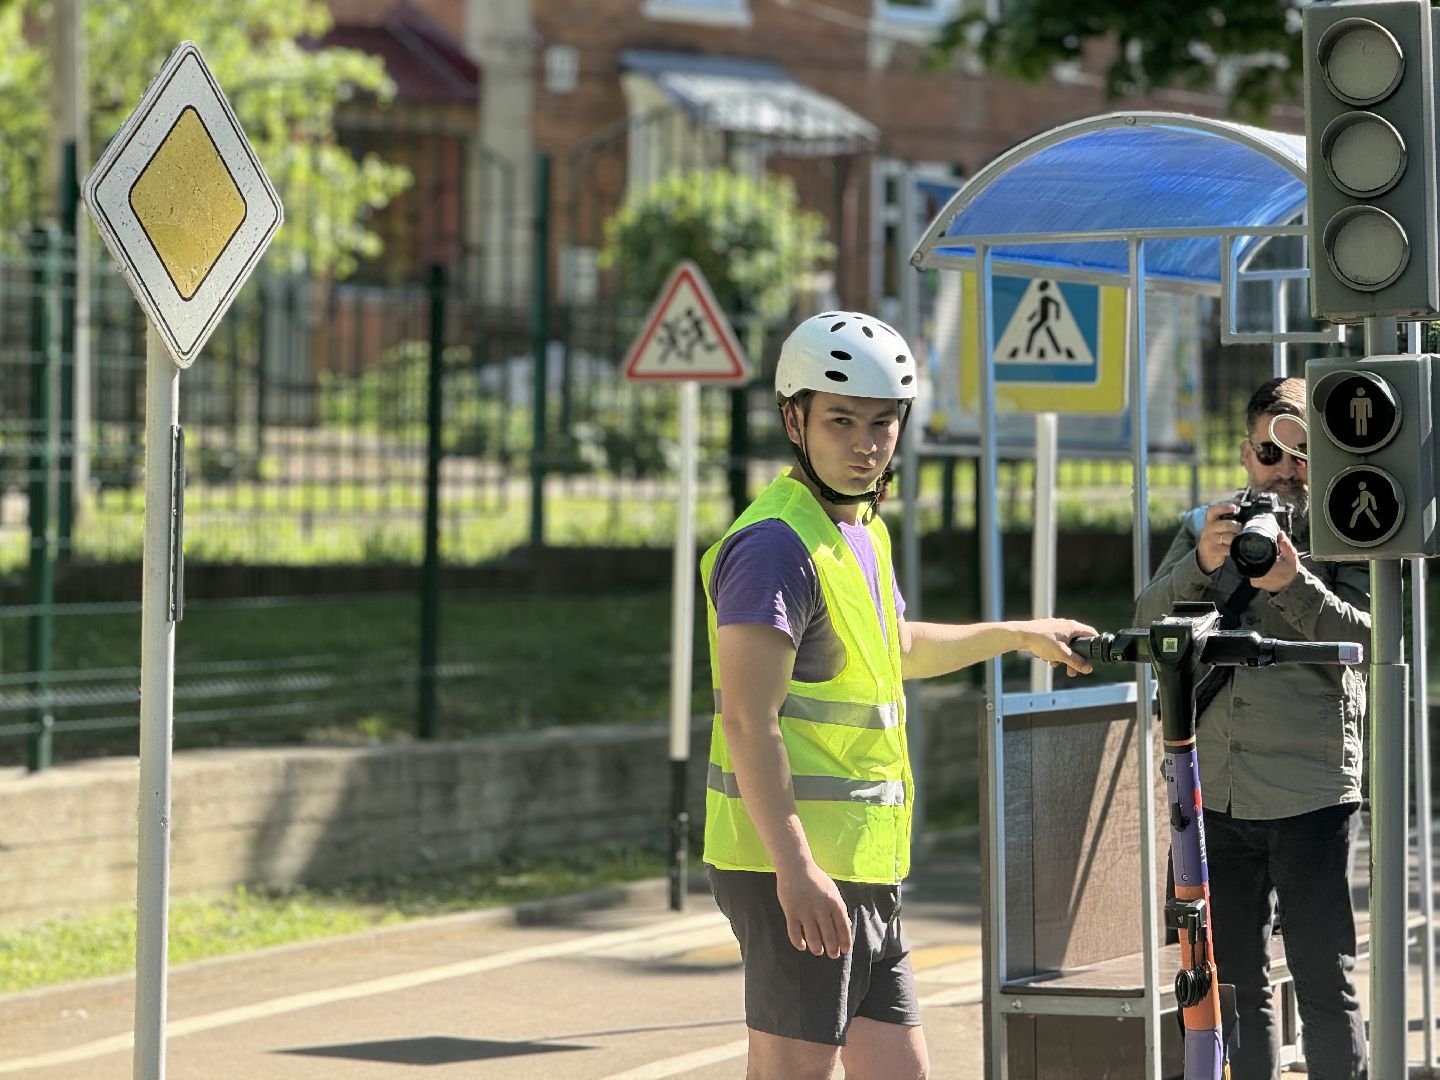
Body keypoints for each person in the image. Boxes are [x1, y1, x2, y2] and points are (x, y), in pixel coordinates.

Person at [700, 310, 1097, 1080]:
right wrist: (795, 867)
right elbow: (750, 721)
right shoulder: (774, 547)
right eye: (842, 420)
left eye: (884, 423)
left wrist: (1015, 634)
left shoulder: (858, 528)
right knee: (791, 1071)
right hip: (794, 862)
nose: (866, 444)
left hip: (862, 866)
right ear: (794, 419)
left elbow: (897, 649)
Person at [1134, 376, 1369, 1080]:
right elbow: (1148, 625)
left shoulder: (1354, 524)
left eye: (1303, 454)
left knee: (1324, 978)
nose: (1288, 471)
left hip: (1312, 789)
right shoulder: (1204, 525)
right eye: (1272, 453)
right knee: (1232, 982)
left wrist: (1296, 585)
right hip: (1215, 791)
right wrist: (1204, 563)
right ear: (1246, 454)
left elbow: (1371, 641)